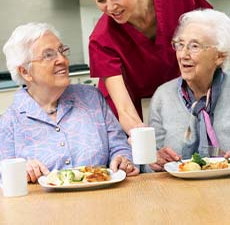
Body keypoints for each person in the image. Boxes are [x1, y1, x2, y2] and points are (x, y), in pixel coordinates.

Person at [88, 0, 213, 134]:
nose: (110, 7)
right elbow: (124, 109)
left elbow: (218, 39)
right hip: (132, 104)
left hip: (186, 93)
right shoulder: (102, 39)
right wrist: (144, 140)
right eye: (100, 0)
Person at [0, 22, 139, 183]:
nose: (62, 60)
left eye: (61, 51)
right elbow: (4, 179)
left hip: (100, 199)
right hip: (44, 206)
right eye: (48, 55)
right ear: (25, 71)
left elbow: (119, 145)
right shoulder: (9, 122)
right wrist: (19, 172)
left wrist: (123, 159)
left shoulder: (91, 98)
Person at [143, 9, 230, 172]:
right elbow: (148, 164)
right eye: (180, 44)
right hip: (178, 192)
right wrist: (155, 161)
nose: (183, 55)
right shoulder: (163, 96)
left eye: (194, 46)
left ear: (219, 56)